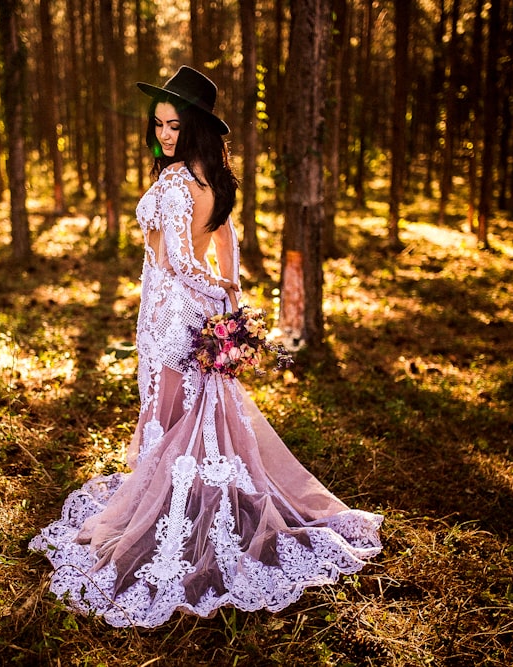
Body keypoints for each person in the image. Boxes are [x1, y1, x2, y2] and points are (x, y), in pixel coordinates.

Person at [30, 66, 382, 628]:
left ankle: (174, 512)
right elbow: (225, 237)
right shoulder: (213, 179)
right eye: (159, 125)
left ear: (195, 128)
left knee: (171, 414)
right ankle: (189, 498)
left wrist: (219, 290)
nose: (164, 135)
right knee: (201, 413)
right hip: (190, 313)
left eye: (174, 125)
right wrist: (232, 298)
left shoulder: (173, 184)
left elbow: (175, 262)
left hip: (172, 316)